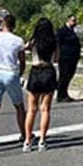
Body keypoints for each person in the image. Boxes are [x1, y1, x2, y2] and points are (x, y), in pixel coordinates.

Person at [0, 13, 27, 152]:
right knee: (19, 106)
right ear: (13, 25)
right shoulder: (18, 40)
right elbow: (22, 61)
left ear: (2, 25)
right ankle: (24, 134)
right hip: (10, 72)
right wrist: (19, 73)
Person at [23, 17, 58, 151]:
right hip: (49, 71)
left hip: (36, 71)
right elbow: (56, 58)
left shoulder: (33, 41)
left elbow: (25, 49)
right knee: (45, 109)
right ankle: (42, 140)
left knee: (32, 109)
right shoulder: (53, 42)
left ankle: (27, 141)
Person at [55, 14, 82, 102]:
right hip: (65, 58)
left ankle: (65, 93)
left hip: (73, 58)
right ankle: (60, 95)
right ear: (68, 20)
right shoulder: (62, 31)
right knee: (64, 76)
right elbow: (57, 43)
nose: (75, 22)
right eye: (73, 20)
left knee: (69, 76)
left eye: (75, 20)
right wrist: (57, 55)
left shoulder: (74, 31)